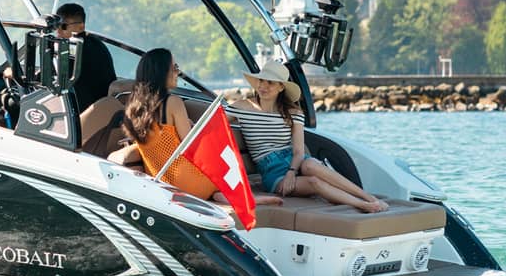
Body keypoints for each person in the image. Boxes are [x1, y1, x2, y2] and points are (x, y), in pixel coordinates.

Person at [229, 60, 388, 211]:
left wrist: (292, 171)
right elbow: (214, 119)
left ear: (281, 87)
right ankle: (362, 205)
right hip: (271, 169)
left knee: (310, 165)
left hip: (293, 159)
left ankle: (367, 196)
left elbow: (298, 151)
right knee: (314, 182)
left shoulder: (294, 113)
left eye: (270, 82)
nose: (263, 86)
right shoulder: (243, 107)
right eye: (261, 81)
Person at [122, 48, 217, 197]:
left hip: (159, 181)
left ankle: (218, 193)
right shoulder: (173, 102)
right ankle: (222, 193)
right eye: (174, 68)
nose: (177, 72)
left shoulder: (133, 109)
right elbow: (191, 146)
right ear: (161, 72)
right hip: (187, 183)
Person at [55, 2, 116, 114]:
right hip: (98, 109)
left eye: (63, 26)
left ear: (81, 26)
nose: (58, 31)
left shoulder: (76, 48)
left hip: (83, 113)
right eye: (56, 26)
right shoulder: (96, 44)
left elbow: (59, 77)